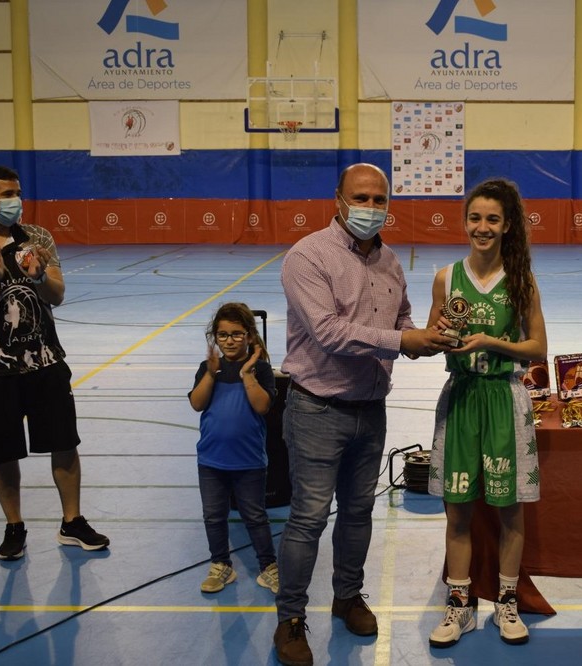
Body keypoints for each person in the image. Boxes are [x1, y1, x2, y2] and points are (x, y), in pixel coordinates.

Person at [272, 163, 454, 666]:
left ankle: (347, 596)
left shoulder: (390, 261)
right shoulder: (307, 256)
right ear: (338, 199)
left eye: (379, 199)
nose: (371, 208)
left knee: (357, 514)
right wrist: (404, 341)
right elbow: (329, 332)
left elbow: (401, 318)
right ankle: (290, 619)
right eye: (361, 197)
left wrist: (424, 337)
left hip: (370, 410)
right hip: (317, 409)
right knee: (308, 520)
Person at [0, 165, 109, 561]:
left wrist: (37, 277)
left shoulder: (37, 238)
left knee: (64, 444)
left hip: (46, 364)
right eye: (7, 192)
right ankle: (15, 526)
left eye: (18, 191)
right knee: (2, 452)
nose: (16, 200)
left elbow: (57, 294)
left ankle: (72, 522)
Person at [426, 178, 547, 648]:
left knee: (508, 510)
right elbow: (435, 334)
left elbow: (537, 347)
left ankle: (506, 602)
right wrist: (439, 337)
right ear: (465, 222)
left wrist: (493, 342)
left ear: (507, 225)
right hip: (462, 397)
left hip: (503, 397)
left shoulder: (521, 280)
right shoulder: (445, 277)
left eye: (492, 219)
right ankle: (459, 605)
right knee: (457, 512)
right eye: (475, 218)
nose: (482, 227)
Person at [188, 302, 279, 595]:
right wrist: (211, 374)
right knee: (213, 515)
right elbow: (197, 403)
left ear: (250, 336)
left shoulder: (261, 370)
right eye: (223, 335)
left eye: (237, 334)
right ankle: (221, 565)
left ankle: (268, 566)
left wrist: (248, 373)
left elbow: (262, 406)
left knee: (255, 516)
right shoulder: (208, 368)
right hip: (211, 460)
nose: (229, 340)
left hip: (249, 461)